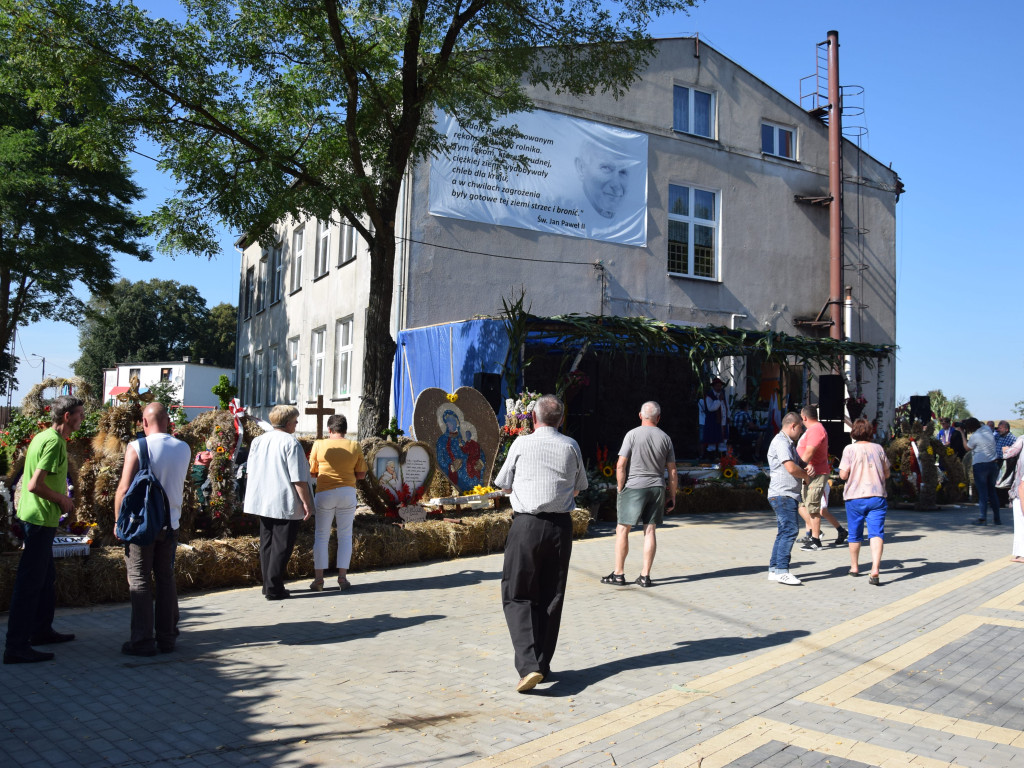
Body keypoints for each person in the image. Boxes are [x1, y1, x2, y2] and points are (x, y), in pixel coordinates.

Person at [494, 394, 587, 693]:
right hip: (560, 527)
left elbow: (502, 482)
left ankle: (528, 666)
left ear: (533, 418)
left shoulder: (521, 443)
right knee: (551, 596)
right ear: (561, 419)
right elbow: (580, 486)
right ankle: (542, 665)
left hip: (527, 525)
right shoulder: (571, 445)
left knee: (518, 593)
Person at [4, 395, 84, 664]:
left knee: (45, 579)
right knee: (30, 584)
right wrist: (63, 499)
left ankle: (40, 631)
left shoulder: (45, 437)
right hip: (39, 520)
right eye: (80, 414)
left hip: (37, 518)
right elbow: (34, 484)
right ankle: (16, 646)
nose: (82, 419)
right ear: (66, 417)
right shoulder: (53, 442)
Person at [114, 402, 191, 656]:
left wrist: (118, 522)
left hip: (142, 525)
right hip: (171, 524)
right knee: (166, 579)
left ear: (144, 423)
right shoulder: (184, 448)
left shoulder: (138, 446)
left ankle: (143, 641)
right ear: (168, 421)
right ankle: (167, 637)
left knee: (139, 580)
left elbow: (124, 488)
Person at [601, 401, 676, 588]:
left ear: (640, 415)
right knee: (649, 530)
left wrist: (620, 487)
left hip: (634, 487)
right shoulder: (665, 438)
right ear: (658, 418)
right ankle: (645, 575)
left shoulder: (632, 435)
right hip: (657, 487)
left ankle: (618, 574)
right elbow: (672, 471)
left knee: (622, 529)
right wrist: (672, 495)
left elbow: (620, 465)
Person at [244, 405, 314, 599]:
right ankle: (274, 588)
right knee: (282, 546)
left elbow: (250, 471)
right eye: (295, 421)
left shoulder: (258, 440)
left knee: (267, 544)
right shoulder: (291, 443)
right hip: (283, 499)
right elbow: (298, 477)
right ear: (288, 422)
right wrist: (306, 502)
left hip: (263, 498)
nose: (297, 424)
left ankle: (268, 585)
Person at [308, 414, 367, 591]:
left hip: (324, 492)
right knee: (345, 535)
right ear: (345, 430)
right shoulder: (354, 445)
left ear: (329, 429)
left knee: (321, 535)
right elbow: (362, 474)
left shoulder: (319, 444)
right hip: (347, 492)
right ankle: (342, 578)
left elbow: (312, 472)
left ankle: (319, 579)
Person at [838, 418, 891, 585]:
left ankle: (854, 567)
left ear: (854, 432)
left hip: (855, 497)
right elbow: (887, 473)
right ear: (870, 432)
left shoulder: (849, 449)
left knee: (854, 534)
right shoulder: (878, 448)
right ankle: (875, 568)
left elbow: (843, 475)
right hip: (877, 496)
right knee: (876, 533)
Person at [766, 412, 814, 586]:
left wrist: (806, 467)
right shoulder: (780, 442)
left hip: (785, 494)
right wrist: (805, 477)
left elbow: (798, 463)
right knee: (790, 531)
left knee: (784, 531)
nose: (801, 432)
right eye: (800, 428)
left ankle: (774, 568)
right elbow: (791, 468)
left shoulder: (788, 443)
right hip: (783, 494)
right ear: (793, 426)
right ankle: (782, 571)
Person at [797, 406, 847, 551]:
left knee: (814, 507)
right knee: (805, 506)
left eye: (801, 417)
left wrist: (799, 466)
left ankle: (816, 540)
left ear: (804, 417)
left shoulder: (816, 429)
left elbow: (810, 451)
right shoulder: (813, 430)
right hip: (810, 473)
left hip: (816, 473)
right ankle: (817, 534)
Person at [575, 141, 630, 221]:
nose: (616, 185)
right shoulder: (565, 215)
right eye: (606, 168)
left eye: (623, 172)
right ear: (581, 168)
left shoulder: (630, 220)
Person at [963, 418, 1000, 525]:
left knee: (983, 493)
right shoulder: (987, 429)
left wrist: (961, 432)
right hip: (993, 464)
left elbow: (967, 447)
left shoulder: (975, 436)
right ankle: (997, 518)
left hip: (980, 466)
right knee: (992, 492)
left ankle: (983, 518)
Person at [1003, 434, 1024, 562]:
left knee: (1020, 519)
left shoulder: (1022, 439)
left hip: (1020, 485)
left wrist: (1005, 450)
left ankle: (1021, 553)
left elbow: (1009, 454)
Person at [701, 377, 729, 461]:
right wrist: (718, 400)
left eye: (720, 386)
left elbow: (726, 406)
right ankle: (710, 458)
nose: (719, 388)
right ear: (713, 386)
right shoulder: (709, 396)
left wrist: (728, 416)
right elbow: (711, 408)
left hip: (723, 421)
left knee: (723, 440)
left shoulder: (723, 394)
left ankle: (723, 458)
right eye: (717, 386)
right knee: (712, 441)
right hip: (713, 421)